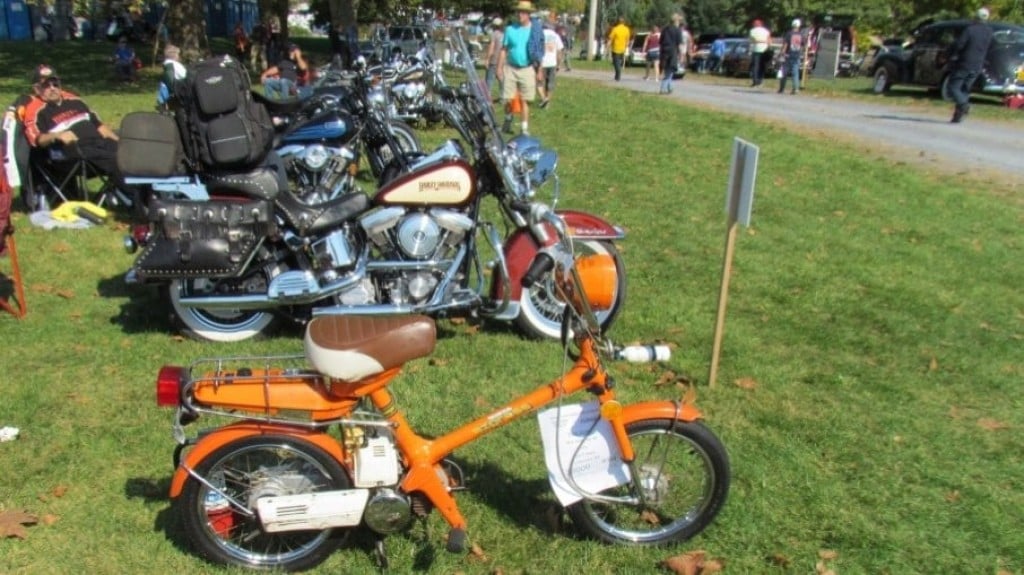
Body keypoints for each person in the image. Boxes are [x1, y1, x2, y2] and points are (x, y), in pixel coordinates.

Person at [22, 65, 131, 195]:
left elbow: (99, 126)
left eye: (55, 84)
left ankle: (150, 197)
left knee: (131, 154)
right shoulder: (35, 109)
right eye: (46, 85)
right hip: (71, 153)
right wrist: (57, 135)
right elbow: (37, 139)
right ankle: (136, 200)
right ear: (37, 88)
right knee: (117, 160)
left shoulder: (75, 101)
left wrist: (120, 142)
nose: (52, 88)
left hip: (99, 143)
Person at [498, 2, 539, 135]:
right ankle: (508, 119)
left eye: (523, 12)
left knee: (525, 99)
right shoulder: (510, 30)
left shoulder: (534, 31)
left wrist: (540, 70)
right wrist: (499, 67)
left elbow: (539, 51)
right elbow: (504, 49)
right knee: (507, 97)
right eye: (519, 12)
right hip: (511, 67)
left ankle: (524, 128)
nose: (520, 14)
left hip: (527, 68)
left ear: (528, 14)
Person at [947, 8, 994, 123]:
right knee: (964, 90)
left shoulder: (970, 30)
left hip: (965, 63)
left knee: (953, 87)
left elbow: (959, 45)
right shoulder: (989, 32)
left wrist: (951, 53)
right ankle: (957, 116)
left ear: (975, 17)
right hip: (978, 65)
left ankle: (964, 105)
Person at [537, 20, 564, 109]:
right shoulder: (555, 35)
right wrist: (559, 64)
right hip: (552, 62)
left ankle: (544, 99)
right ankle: (547, 102)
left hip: (541, 62)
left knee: (539, 82)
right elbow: (559, 50)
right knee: (550, 83)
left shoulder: (539, 34)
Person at [658, 13, 685, 94]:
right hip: (672, 52)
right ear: (676, 21)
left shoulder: (665, 29)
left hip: (664, 52)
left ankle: (670, 87)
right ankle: (663, 88)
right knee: (670, 71)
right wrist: (681, 55)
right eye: (679, 21)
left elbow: (660, 42)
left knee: (668, 70)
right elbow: (679, 44)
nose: (680, 22)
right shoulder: (678, 30)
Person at [777, 19, 805, 95]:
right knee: (795, 72)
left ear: (792, 25)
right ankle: (795, 89)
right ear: (799, 26)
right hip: (796, 55)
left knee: (784, 72)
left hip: (787, 55)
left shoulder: (789, 34)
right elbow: (802, 45)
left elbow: (785, 44)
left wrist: (782, 53)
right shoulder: (801, 35)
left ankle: (781, 88)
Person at [156, 45, 187, 112]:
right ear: (175, 56)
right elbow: (186, 77)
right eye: (178, 54)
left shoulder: (167, 66)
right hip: (181, 91)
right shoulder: (175, 65)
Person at [484, 17, 505, 98]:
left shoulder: (494, 34)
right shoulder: (504, 34)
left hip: (494, 59)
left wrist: (487, 59)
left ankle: (487, 96)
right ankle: (503, 96)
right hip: (503, 60)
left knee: (489, 79)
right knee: (501, 78)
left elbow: (491, 48)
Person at [748, 19, 771, 87]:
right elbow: (769, 40)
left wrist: (757, 41)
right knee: (762, 66)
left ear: (755, 25)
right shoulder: (766, 31)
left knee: (755, 66)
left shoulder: (752, 31)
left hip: (756, 49)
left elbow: (752, 39)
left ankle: (755, 81)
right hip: (764, 49)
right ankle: (760, 80)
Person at [607, 17, 630, 81]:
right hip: (623, 49)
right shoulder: (626, 29)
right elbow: (627, 40)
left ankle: (618, 75)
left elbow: (610, 38)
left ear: (618, 22)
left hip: (616, 49)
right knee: (619, 62)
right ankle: (617, 75)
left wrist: (607, 46)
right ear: (624, 22)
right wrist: (626, 46)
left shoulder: (615, 29)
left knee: (615, 63)